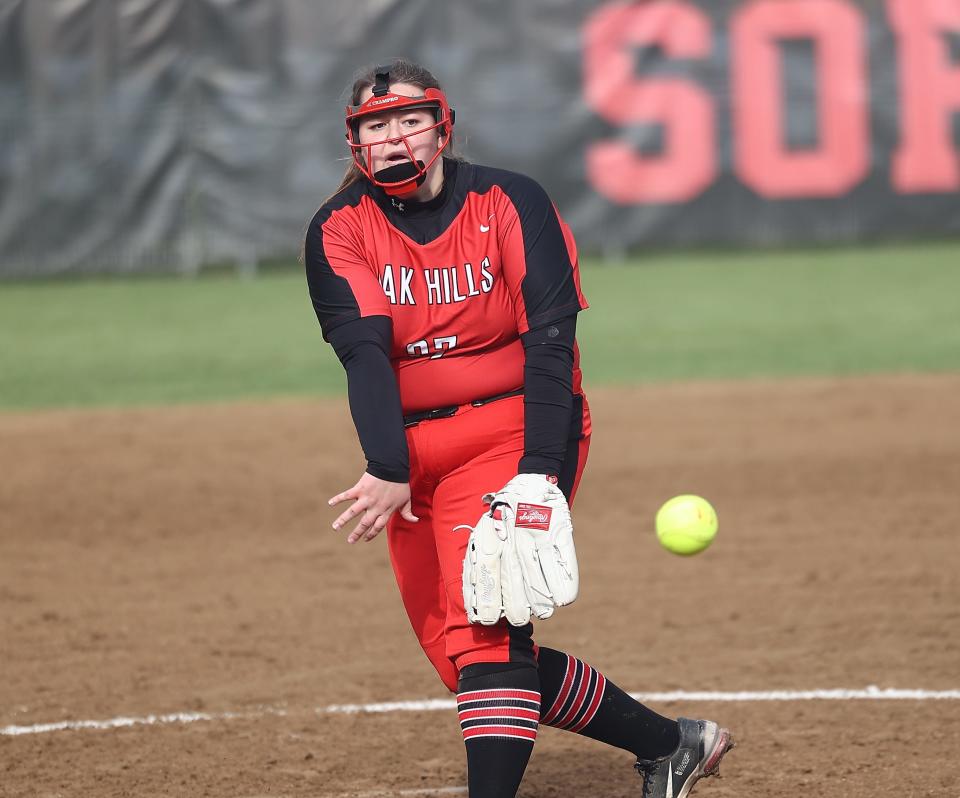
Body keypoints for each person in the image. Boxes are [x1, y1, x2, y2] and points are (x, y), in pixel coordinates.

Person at [303, 59, 734, 798]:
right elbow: (364, 351)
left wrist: (538, 470)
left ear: (444, 126)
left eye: (409, 118)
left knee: (486, 633)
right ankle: (674, 745)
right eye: (375, 125)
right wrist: (387, 461)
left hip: (514, 430)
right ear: (355, 143)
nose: (393, 136)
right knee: (459, 657)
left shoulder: (510, 200)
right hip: (411, 451)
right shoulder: (340, 229)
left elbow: (550, 342)